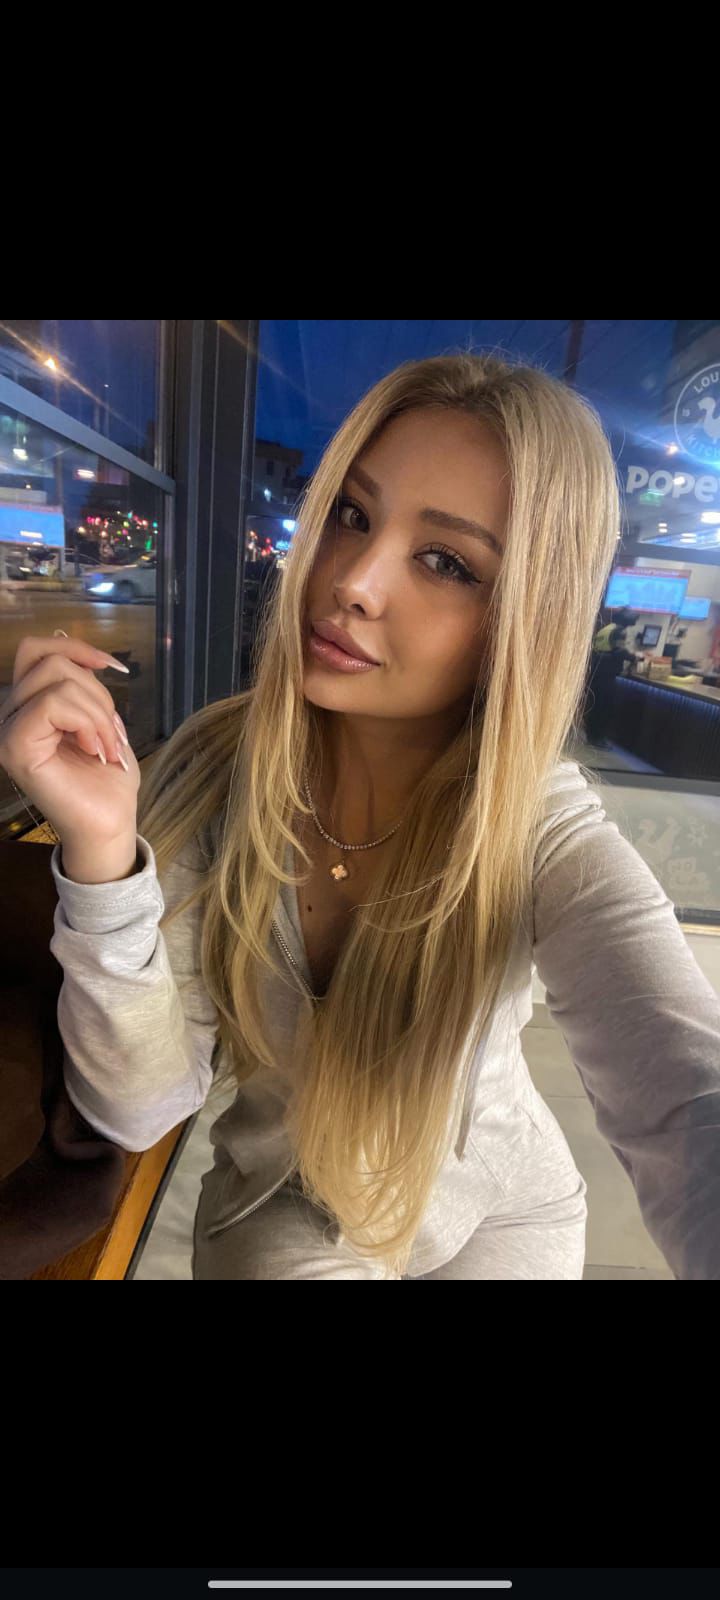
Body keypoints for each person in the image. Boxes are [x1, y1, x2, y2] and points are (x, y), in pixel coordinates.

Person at [2, 351, 720, 1280]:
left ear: (523, 619)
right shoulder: (219, 770)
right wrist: (102, 852)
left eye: (445, 562)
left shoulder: (535, 823)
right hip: (291, 1208)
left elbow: (684, 1097)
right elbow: (141, 1108)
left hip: (513, 1203)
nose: (353, 580)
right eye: (351, 514)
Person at [583, 609, 641, 747]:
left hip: (596, 672)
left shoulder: (606, 629)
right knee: (604, 708)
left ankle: (591, 736)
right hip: (607, 675)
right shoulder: (619, 631)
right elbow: (619, 652)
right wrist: (634, 657)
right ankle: (598, 738)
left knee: (596, 707)